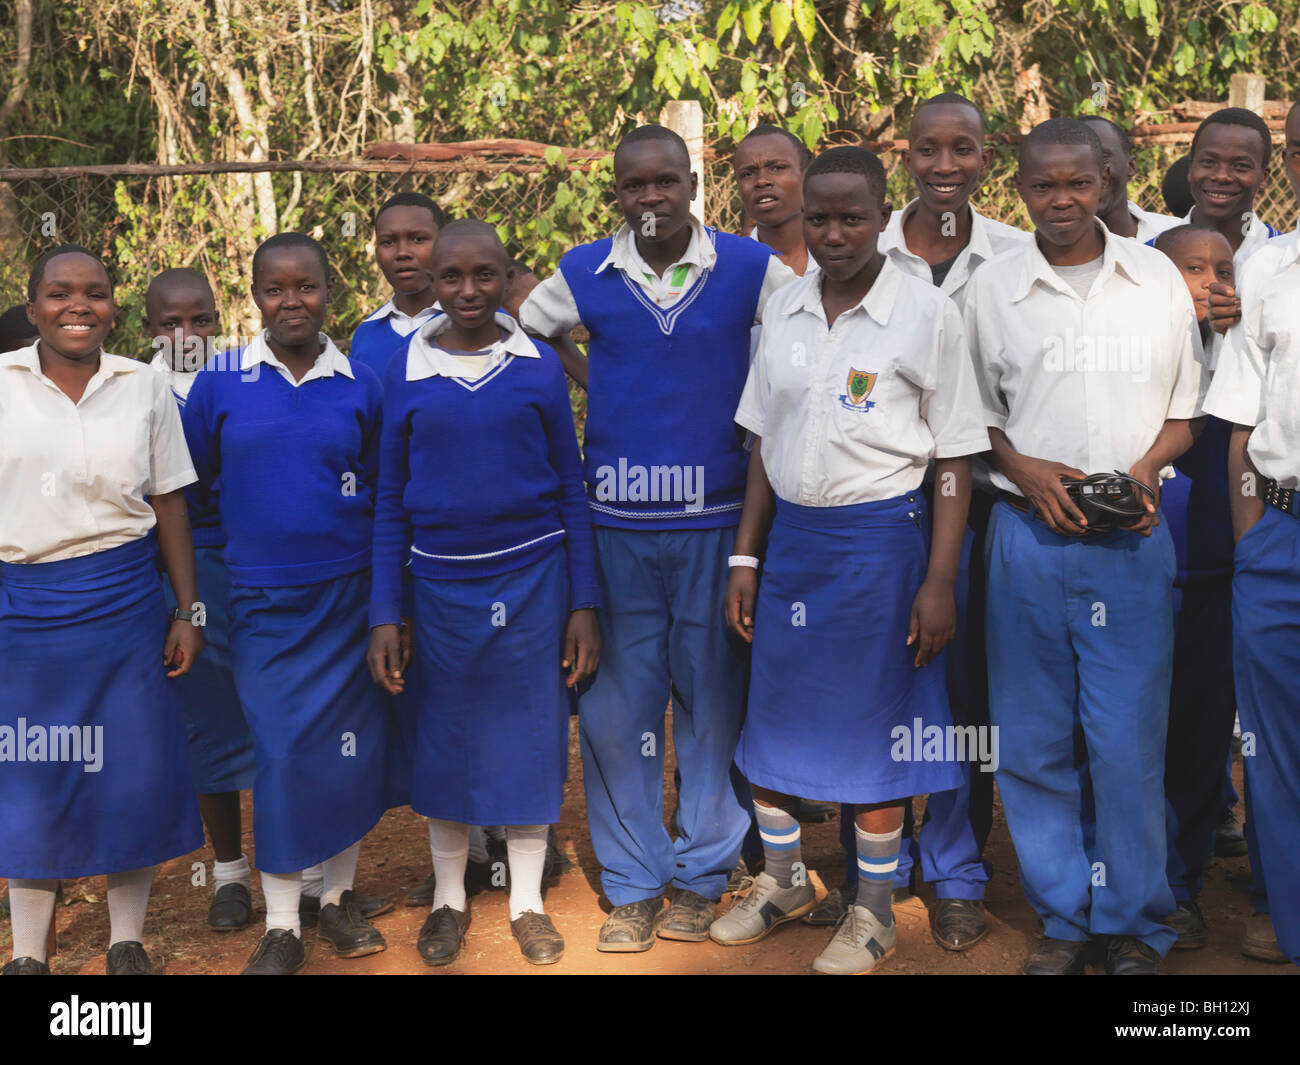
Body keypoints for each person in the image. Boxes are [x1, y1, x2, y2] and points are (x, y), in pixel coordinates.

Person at [708, 145, 988, 975]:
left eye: (852, 216)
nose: (834, 232)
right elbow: (763, 442)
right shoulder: (784, 309)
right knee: (773, 719)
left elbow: (954, 458)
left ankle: (870, 910)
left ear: (882, 216)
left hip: (882, 546)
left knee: (876, 736)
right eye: (821, 217)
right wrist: (745, 558)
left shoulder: (925, 313)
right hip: (793, 543)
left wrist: (938, 579)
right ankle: (787, 879)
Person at [519, 124, 795, 952]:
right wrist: (592, 376)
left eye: (664, 182)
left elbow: (798, 351)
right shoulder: (584, 273)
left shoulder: (750, 269)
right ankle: (636, 882)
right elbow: (529, 326)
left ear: (692, 183)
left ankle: (702, 876)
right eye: (634, 185)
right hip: (618, 526)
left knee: (712, 700)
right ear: (617, 193)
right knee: (615, 708)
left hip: (717, 520)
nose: (650, 198)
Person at [965, 119, 1205, 975]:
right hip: (1025, 539)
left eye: (1078, 183)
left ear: (1105, 183)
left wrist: (1143, 470)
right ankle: (1066, 917)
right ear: (1020, 189)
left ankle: (1134, 921)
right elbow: (972, 416)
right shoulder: (992, 289)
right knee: (1031, 742)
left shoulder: (1156, 280)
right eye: (1043, 186)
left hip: (1132, 543)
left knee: (1127, 738)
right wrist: (1025, 470)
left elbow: (1187, 411)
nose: (1061, 200)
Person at [367, 220, 600, 966]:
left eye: (486, 276)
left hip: (534, 577)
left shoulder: (535, 366)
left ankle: (527, 899)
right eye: (451, 277)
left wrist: (583, 600)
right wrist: (385, 612)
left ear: (509, 279)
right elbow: (388, 501)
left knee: (531, 734)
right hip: (437, 584)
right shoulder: (405, 369)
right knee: (446, 737)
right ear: (429, 282)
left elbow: (571, 483)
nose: (469, 291)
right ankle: (448, 898)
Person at [182, 233, 400, 975]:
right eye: (275, 289)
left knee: (345, 749)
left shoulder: (361, 383)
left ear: (327, 291)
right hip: (262, 602)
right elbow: (194, 491)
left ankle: (334, 898)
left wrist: (382, 608)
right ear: (255, 299)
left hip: (346, 600)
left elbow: (378, 496)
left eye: (305, 286)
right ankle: (281, 922)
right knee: (279, 752)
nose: (291, 301)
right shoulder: (221, 383)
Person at [855, 91, 1032, 949]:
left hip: (983, 499)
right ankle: (869, 872)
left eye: (963, 149)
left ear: (987, 157)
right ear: (906, 155)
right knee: (877, 682)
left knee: (965, 689)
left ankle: (957, 866)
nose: (946, 165)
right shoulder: (864, 248)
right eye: (929, 149)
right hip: (878, 502)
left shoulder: (1017, 255)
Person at [1, 245, 204, 975]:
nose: (77, 305)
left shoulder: (144, 385)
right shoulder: (0, 385)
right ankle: (27, 956)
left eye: (94, 292)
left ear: (115, 307)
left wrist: (190, 609)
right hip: (23, 610)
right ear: (33, 309)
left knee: (130, 773)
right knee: (33, 776)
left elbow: (170, 499)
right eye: (59, 293)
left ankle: (127, 942)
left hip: (125, 604)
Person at [144, 268, 256, 932]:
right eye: (169, 322)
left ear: (218, 320)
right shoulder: (132, 391)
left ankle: (303, 871)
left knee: (278, 715)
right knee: (209, 724)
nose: (186, 335)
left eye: (201, 320)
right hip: (181, 575)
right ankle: (231, 872)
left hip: (254, 562)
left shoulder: (246, 378)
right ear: (148, 328)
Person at [1202, 229, 1300, 968]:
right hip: (1281, 536)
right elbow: (1241, 423)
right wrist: (1252, 540)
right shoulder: (1266, 268)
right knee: (1274, 747)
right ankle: (1285, 913)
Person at [1149, 226, 1241, 951]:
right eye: (1190, 267)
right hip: (1126, 568)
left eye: (1221, 269)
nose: (1207, 280)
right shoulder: (1126, 355)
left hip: (1210, 576)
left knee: (1199, 738)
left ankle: (1182, 885)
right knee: (1119, 738)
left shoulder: (1242, 360)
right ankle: (1113, 879)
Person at [349, 192, 445, 380]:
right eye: (388, 242)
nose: (402, 253)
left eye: (418, 239)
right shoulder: (366, 334)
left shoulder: (480, 323)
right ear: (377, 254)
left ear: (444, 245)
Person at [1080, 115, 1180, 242]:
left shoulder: (1176, 235)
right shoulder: (1049, 251)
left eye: (1102, 157)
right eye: (1072, 161)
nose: (1088, 171)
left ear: (1131, 166)